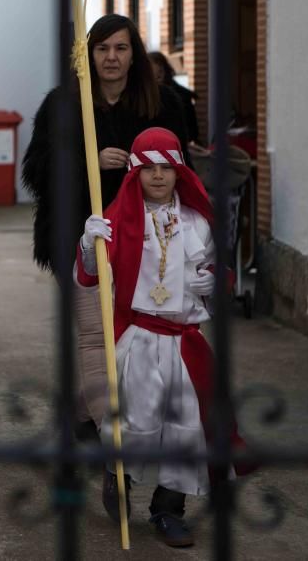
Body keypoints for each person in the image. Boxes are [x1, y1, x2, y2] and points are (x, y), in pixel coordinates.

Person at [76, 127, 251, 548]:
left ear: (179, 173)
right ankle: (117, 471)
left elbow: (217, 272)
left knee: (184, 428)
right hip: (138, 337)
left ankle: (169, 509)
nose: (158, 176)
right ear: (135, 173)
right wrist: (88, 244)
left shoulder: (197, 222)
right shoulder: (115, 221)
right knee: (137, 420)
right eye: (149, 169)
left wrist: (216, 282)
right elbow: (90, 276)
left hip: (184, 341)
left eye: (166, 169)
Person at [21, 14, 193, 442]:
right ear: (88, 55)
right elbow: (35, 171)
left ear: (134, 53)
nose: (111, 58)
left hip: (147, 238)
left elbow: (180, 170)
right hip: (75, 237)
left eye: (120, 48)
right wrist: (88, 163)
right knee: (96, 332)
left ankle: (85, 412)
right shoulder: (63, 104)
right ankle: (108, 430)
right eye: (102, 49)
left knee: (132, 334)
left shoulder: (165, 104)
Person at [149, 51, 204, 151]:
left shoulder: (180, 97)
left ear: (165, 71)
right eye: (152, 75)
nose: (156, 79)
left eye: (159, 74)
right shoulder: (142, 98)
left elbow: (192, 132)